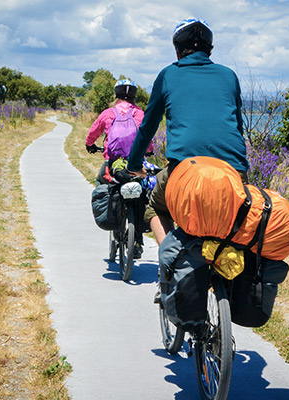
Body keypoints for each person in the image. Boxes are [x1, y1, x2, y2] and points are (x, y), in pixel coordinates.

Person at [126, 18, 249, 246]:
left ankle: (169, 263)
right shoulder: (229, 75)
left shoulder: (168, 75)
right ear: (209, 49)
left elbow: (148, 127)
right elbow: (238, 128)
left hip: (186, 173)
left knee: (154, 205)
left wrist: (134, 165)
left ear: (177, 50)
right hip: (234, 173)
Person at [86, 79, 144, 185]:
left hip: (112, 161)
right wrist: (149, 150)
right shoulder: (140, 114)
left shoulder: (108, 113)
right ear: (134, 96)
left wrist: (89, 144)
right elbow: (146, 136)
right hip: (136, 162)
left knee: (101, 183)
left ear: (116, 95)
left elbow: (93, 131)